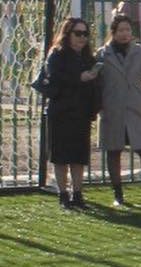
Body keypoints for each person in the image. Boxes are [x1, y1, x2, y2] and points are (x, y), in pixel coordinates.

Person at [96, 13, 141, 208]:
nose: (125, 34)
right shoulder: (102, 54)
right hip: (112, 110)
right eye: (121, 30)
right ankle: (118, 195)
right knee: (113, 152)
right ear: (113, 32)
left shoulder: (139, 52)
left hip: (135, 108)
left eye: (128, 30)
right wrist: (102, 104)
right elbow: (97, 82)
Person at [42, 15, 102, 209]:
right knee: (60, 156)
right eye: (78, 33)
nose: (82, 37)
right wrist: (79, 77)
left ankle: (77, 194)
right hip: (61, 111)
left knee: (78, 156)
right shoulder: (57, 54)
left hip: (81, 112)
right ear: (67, 34)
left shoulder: (87, 57)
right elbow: (54, 78)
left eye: (85, 33)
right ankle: (63, 194)